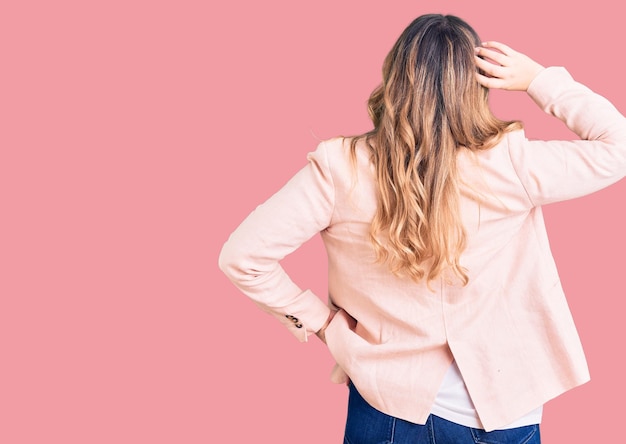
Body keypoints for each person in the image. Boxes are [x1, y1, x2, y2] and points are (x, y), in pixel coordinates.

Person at [218, 13, 626, 444]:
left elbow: (242, 256)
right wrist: (538, 80)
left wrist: (321, 323)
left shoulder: (341, 170)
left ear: (393, 79)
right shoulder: (511, 163)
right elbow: (618, 147)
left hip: (388, 406)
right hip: (504, 410)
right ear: (478, 85)